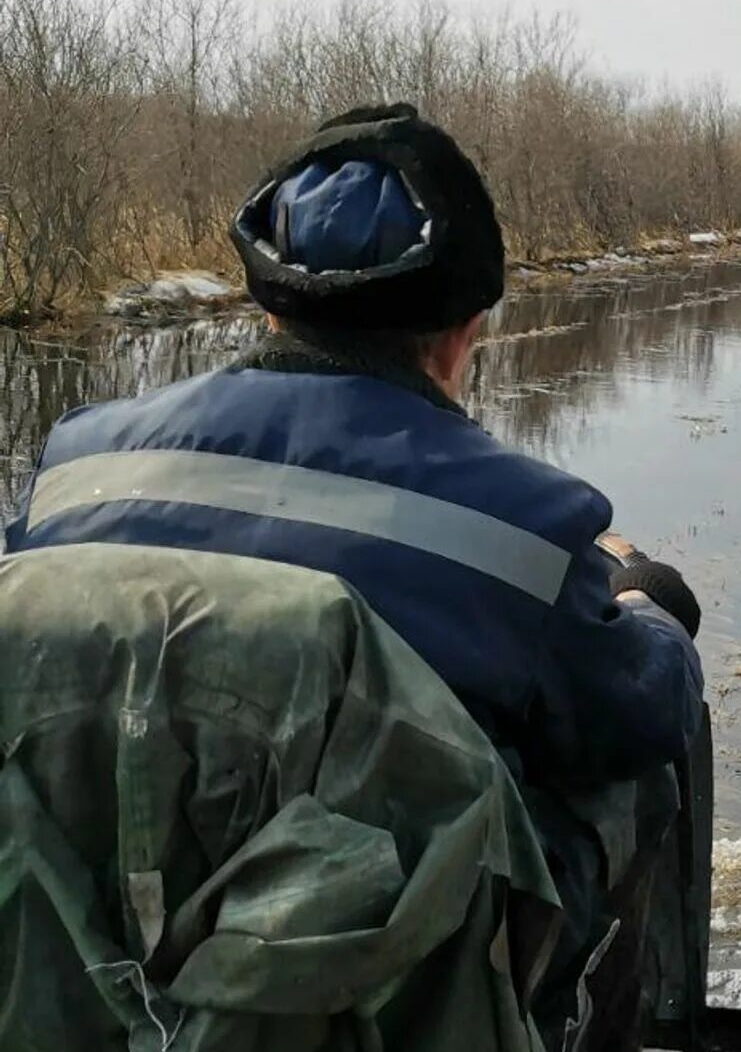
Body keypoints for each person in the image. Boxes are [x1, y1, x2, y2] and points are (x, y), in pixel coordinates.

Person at [3, 103, 704, 1044]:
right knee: (646, 761)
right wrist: (645, 601)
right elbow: (636, 713)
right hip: (379, 997)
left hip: (80, 959)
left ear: (269, 307)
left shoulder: (72, 466)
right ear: (465, 334)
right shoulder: (525, 527)